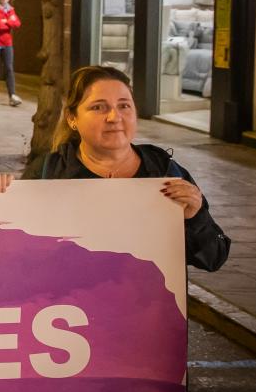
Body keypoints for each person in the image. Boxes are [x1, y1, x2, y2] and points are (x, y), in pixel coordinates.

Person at [25, 66, 231, 271]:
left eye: (124, 106)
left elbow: (214, 258)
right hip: (71, 301)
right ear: (72, 118)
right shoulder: (48, 172)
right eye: (98, 107)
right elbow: (20, 251)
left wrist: (194, 217)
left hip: (146, 300)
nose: (114, 117)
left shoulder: (164, 171)